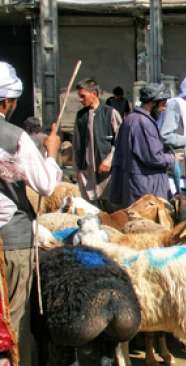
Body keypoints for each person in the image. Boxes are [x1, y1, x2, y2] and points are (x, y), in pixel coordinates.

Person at [0, 61, 62, 365]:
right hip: (11, 240)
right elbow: (47, 185)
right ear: (8, 102)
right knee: (15, 317)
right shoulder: (15, 137)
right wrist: (51, 152)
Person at [109, 83, 173, 209]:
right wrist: (171, 159)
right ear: (153, 102)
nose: (164, 108)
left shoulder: (131, 119)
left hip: (135, 185)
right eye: (163, 103)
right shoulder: (143, 122)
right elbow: (153, 158)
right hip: (145, 188)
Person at [72, 79, 123, 210]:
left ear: (94, 93)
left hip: (106, 173)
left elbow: (121, 141)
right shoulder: (80, 116)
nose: (80, 100)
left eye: (83, 96)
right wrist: (77, 169)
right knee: (91, 211)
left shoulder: (110, 113)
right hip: (87, 174)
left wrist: (110, 160)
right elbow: (76, 145)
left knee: (111, 208)